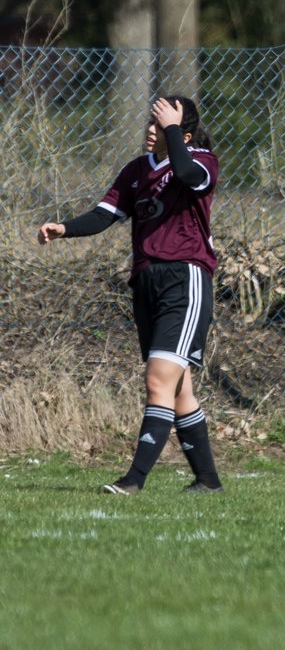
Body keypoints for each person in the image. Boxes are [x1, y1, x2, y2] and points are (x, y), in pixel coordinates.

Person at [37, 96, 225, 495]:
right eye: (152, 122)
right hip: (146, 282)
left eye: (162, 124)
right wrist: (65, 228)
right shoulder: (137, 170)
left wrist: (174, 131)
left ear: (183, 133)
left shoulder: (201, 159)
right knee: (178, 388)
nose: (151, 129)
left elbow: (190, 175)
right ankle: (208, 481)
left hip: (184, 279)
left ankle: (134, 480)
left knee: (158, 379)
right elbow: (105, 215)